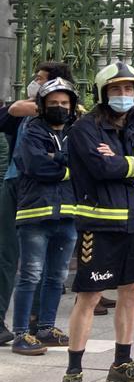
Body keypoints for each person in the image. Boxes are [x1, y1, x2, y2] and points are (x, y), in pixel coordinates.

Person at [62, 62, 134, 382]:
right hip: (99, 227)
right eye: (117, 89)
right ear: (103, 92)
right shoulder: (84, 129)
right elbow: (102, 169)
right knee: (89, 296)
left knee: (132, 292)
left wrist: (128, 163)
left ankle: (121, 363)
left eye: (129, 89)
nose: (124, 95)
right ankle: (73, 372)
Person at [0, 61, 74, 346]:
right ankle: (17, 328)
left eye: (41, 79)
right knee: (17, 259)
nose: (35, 82)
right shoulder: (27, 116)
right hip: (20, 187)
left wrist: (60, 163)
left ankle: (41, 324)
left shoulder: (70, 119)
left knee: (52, 269)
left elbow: (79, 157)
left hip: (58, 200)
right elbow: (33, 161)